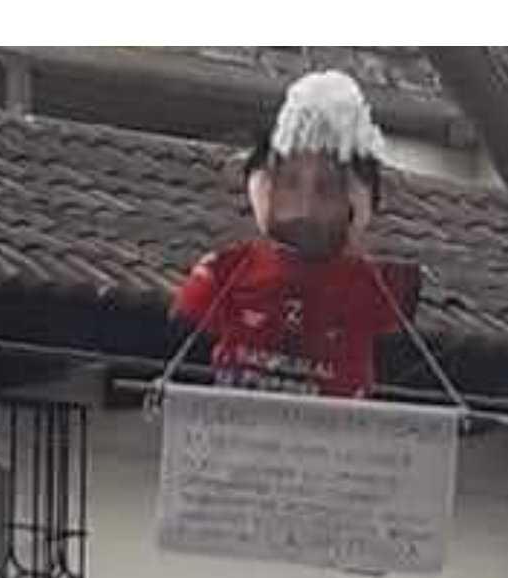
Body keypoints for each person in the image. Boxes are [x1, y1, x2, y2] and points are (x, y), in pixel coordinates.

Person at [170, 69, 423, 400]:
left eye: (326, 188)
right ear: (261, 186)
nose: (306, 205)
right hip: (233, 439)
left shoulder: (384, 287)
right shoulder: (226, 272)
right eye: (291, 183)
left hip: (335, 444)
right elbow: (175, 347)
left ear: (359, 199)